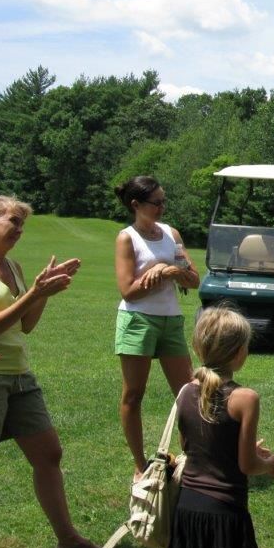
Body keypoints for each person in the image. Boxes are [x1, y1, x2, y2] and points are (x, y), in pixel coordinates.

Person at [0, 195, 104, 548]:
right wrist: (35, 294)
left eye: (22, 224)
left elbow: (26, 325)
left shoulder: (13, 266)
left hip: (19, 374)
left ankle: (68, 539)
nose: (19, 230)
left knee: (49, 453)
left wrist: (45, 292)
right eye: (12, 222)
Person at [164, 305, 274, 548]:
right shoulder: (245, 398)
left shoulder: (186, 391)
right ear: (239, 354)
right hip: (225, 511)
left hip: (187, 507)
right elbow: (247, 466)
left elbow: (188, 446)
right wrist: (270, 463)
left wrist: (237, 448)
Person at [114, 175, 200, 479]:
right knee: (134, 395)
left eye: (164, 201)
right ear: (136, 205)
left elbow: (193, 279)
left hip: (171, 320)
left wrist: (170, 270)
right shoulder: (127, 237)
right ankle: (141, 466)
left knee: (188, 394)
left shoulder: (171, 234)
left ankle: (193, 461)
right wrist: (162, 273)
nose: (162, 207)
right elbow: (128, 290)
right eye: (156, 202)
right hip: (138, 321)